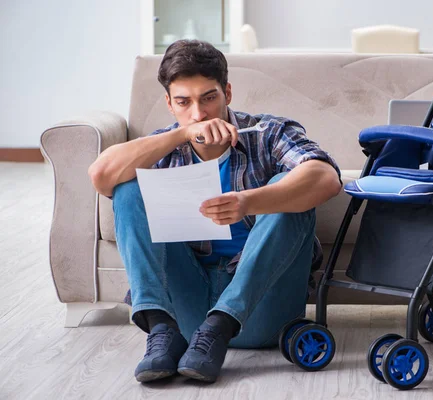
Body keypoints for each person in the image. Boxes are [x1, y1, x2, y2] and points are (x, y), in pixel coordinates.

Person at [87, 40, 341, 383]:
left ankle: (220, 324)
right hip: (185, 317)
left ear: (228, 93)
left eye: (209, 98)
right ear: (169, 103)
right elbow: (101, 177)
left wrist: (250, 201)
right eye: (184, 102)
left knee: (290, 187)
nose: (198, 113)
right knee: (129, 186)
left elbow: (326, 178)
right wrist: (182, 135)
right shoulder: (164, 145)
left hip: (259, 310)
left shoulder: (268, 132)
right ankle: (158, 329)